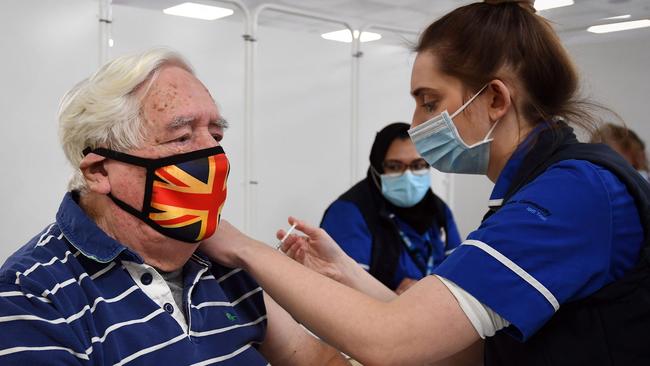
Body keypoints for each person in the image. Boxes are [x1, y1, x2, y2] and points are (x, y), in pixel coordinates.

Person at [201, 1, 650, 365]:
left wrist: (241, 246)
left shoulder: (572, 195)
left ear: (495, 98)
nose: (417, 125)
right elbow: (462, 348)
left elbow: (392, 342)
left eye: (429, 102)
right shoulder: (531, 193)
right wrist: (346, 274)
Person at [0, 49, 349, 365]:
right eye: (182, 137)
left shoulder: (222, 262)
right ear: (100, 171)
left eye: (216, 135)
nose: (214, 156)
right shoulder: (30, 294)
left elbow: (321, 361)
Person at [321, 122, 461, 294]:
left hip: (435, 315)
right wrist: (392, 299)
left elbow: (460, 277)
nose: (408, 176)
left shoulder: (438, 211)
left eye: (418, 165)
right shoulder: (348, 214)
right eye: (395, 167)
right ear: (377, 168)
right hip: (370, 318)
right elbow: (341, 293)